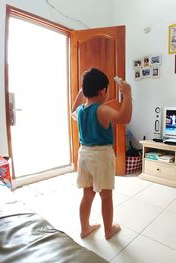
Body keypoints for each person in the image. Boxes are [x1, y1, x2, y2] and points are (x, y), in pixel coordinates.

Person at [71, 68, 132, 240]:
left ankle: (84, 228)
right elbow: (124, 117)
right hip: (101, 157)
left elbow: (72, 109)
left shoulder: (81, 111)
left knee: (87, 194)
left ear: (85, 91)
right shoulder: (101, 110)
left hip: (84, 155)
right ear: (102, 91)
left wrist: (80, 93)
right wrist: (127, 94)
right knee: (106, 196)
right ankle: (108, 230)